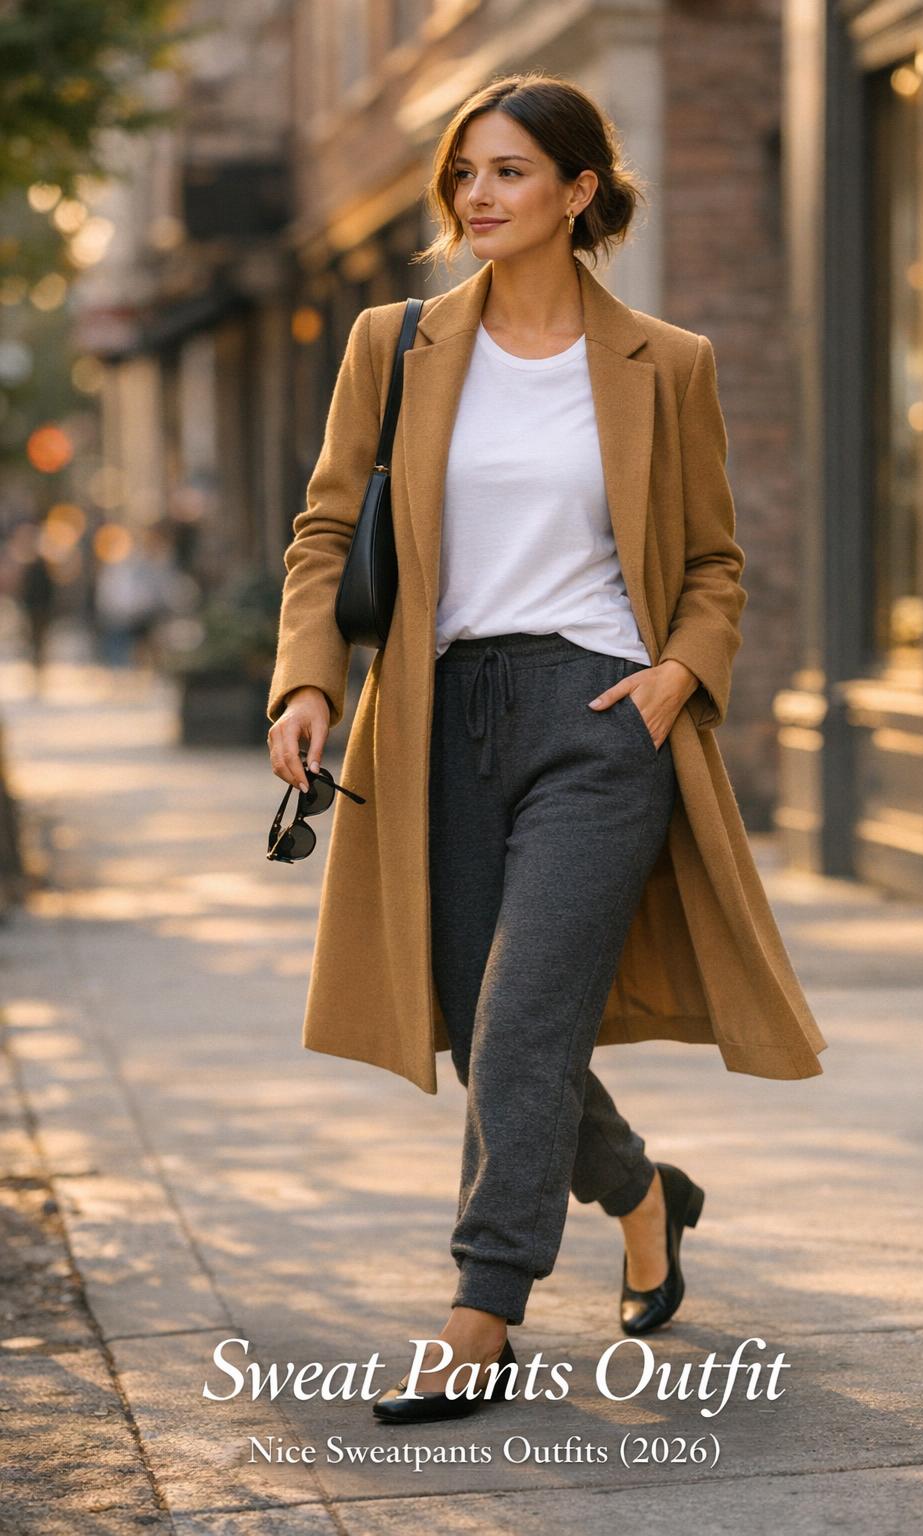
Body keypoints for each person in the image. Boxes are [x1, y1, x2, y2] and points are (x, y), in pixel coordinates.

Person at [266, 73, 826, 1426]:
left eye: (510, 172)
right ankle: (643, 1195)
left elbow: (711, 562)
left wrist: (676, 676)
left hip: (598, 724)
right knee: (481, 1020)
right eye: (466, 171)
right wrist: (305, 687)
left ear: (580, 193)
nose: (477, 195)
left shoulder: (664, 363)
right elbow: (328, 532)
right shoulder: (393, 345)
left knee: (522, 1017)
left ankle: (481, 1313)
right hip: (438, 717)